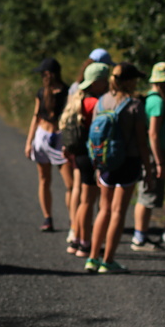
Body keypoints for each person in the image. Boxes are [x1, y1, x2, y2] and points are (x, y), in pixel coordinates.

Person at [86, 63, 154, 274]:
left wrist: (98, 165)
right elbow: (142, 142)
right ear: (130, 81)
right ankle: (108, 261)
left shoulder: (102, 101)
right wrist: (149, 170)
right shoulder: (134, 105)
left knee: (103, 209)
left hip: (106, 162)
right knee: (118, 211)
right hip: (128, 162)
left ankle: (92, 258)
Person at [59, 61, 110, 258]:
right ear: (97, 82)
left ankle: (77, 240)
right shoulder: (94, 103)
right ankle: (85, 243)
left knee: (82, 200)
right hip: (90, 156)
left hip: (78, 155)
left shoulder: (78, 98)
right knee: (88, 200)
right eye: (104, 81)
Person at [24, 58, 73, 232]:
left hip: (59, 139)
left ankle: (73, 220)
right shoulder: (41, 92)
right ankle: (48, 218)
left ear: (50, 74)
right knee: (44, 179)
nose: (43, 77)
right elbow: (36, 117)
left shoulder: (67, 92)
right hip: (42, 137)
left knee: (70, 184)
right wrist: (29, 142)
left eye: (44, 73)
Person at [131, 62, 165, 252]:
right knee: (147, 195)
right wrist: (159, 162)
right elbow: (154, 134)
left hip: (148, 152)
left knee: (145, 195)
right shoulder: (157, 102)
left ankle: (141, 235)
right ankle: (139, 237)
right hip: (152, 153)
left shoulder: (150, 99)